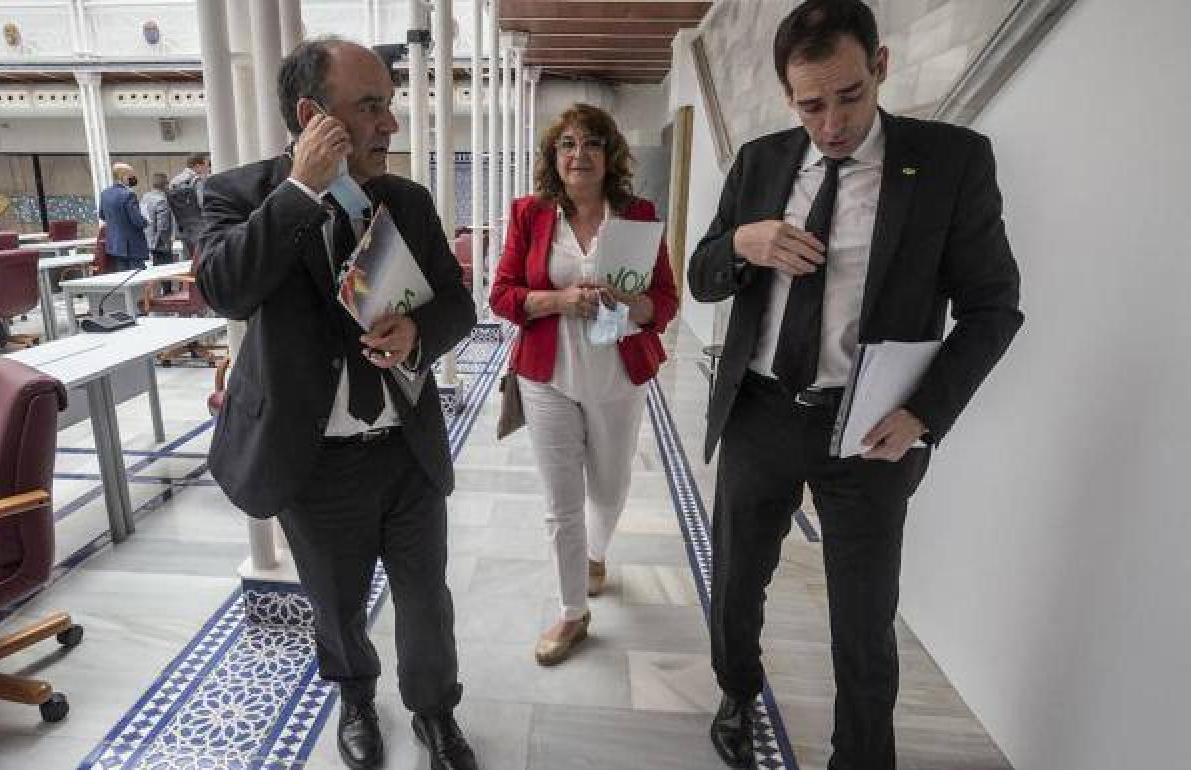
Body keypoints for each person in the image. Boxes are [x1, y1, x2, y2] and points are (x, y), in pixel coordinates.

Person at [687, 2, 1023, 768]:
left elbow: (993, 307)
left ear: (880, 67)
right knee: (737, 582)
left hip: (870, 427)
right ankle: (736, 691)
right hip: (761, 413)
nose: (831, 123)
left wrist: (924, 414)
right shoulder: (762, 163)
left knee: (865, 623)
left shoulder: (950, 163)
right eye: (811, 104)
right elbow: (704, 276)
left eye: (849, 96)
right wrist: (742, 243)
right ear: (786, 95)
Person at [196, 38, 478, 770]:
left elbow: (458, 304)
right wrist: (300, 192)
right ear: (313, 115)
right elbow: (227, 287)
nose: (391, 125)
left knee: (426, 599)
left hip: (406, 450)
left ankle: (436, 712)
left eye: (390, 104)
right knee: (336, 602)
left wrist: (420, 330)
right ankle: (355, 696)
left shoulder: (406, 201)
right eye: (372, 107)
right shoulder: (238, 194)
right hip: (314, 462)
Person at [490, 103, 678, 666]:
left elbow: (665, 300)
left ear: (609, 153)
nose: (579, 154)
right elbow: (502, 295)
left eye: (592, 143)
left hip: (619, 374)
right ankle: (574, 612)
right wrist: (559, 301)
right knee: (561, 503)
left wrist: (633, 303)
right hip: (548, 375)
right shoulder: (529, 214)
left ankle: (597, 553)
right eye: (568, 143)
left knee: (611, 487)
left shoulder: (638, 214)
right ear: (554, 155)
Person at [99, 162, 149, 272]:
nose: (133, 178)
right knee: (138, 277)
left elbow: (102, 216)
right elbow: (137, 220)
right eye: (131, 175)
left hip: (115, 245)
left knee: (123, 278)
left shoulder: (105, 194)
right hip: (132, 245)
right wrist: (146, 221)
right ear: (124, 176)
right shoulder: (128, 194)